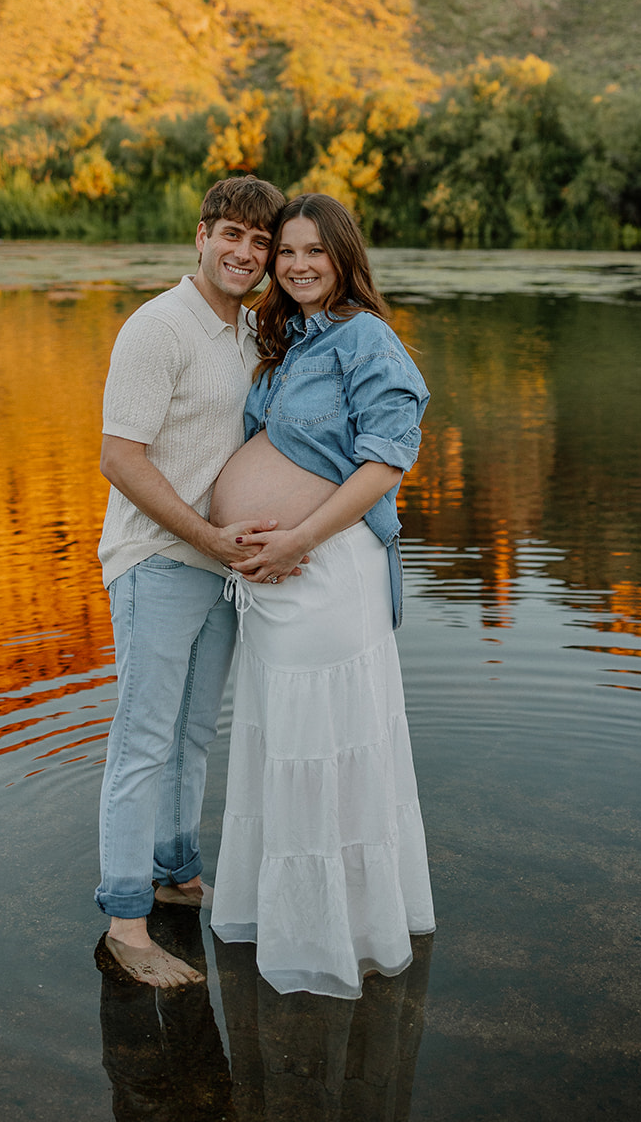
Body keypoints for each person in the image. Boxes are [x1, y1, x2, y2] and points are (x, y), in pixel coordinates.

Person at [209, 192, 436, 997]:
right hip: (277, 586)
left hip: (329, 572)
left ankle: (336, 935)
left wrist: (299, 537)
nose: (297, 265)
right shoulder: (293, 337)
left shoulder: (366, 336)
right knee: (285, 741)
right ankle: (298, 917)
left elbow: (384, 460)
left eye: (314, 251)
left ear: (343, 257)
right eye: (286, 253)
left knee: (323, 740)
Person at [95, 174, 287, 988]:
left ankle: (177, 875)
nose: (244, 253)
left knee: (193, 737)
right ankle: (126, 922)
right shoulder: (158, 327)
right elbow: (119, 458)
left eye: (261, 242)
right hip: (157, 564)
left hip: (220, 570)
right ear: (201, 236)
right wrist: (208, 533)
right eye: (231, 234)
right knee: (143, 741)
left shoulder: (247, 334)